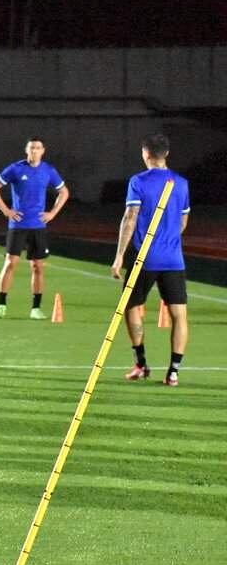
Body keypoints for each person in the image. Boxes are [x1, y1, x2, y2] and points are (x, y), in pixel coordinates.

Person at [111, 134, 190, 386]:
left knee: (132, 307)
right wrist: (168, 240)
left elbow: (130, 218)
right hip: (173, 259)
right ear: (166, 154)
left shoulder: (138, 181)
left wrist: (119, 256)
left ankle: (141, 364)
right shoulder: (181, 183)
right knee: (179, 314)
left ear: (145, 154)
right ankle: (174, 372)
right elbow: (183, 221)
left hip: (143, 257)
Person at [0, 137, 70, 319]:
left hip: (38, 226)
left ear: (43, 150)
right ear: (27, 150)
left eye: (38, 148)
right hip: (18, 225)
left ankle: (36, 308)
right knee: (10, 263)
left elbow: (64, 192)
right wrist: (6, 211)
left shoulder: (48, 170)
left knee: (38, 267)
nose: (34, 151)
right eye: (32, 148)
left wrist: (53, 213)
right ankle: (1, 304)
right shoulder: (16, 169)